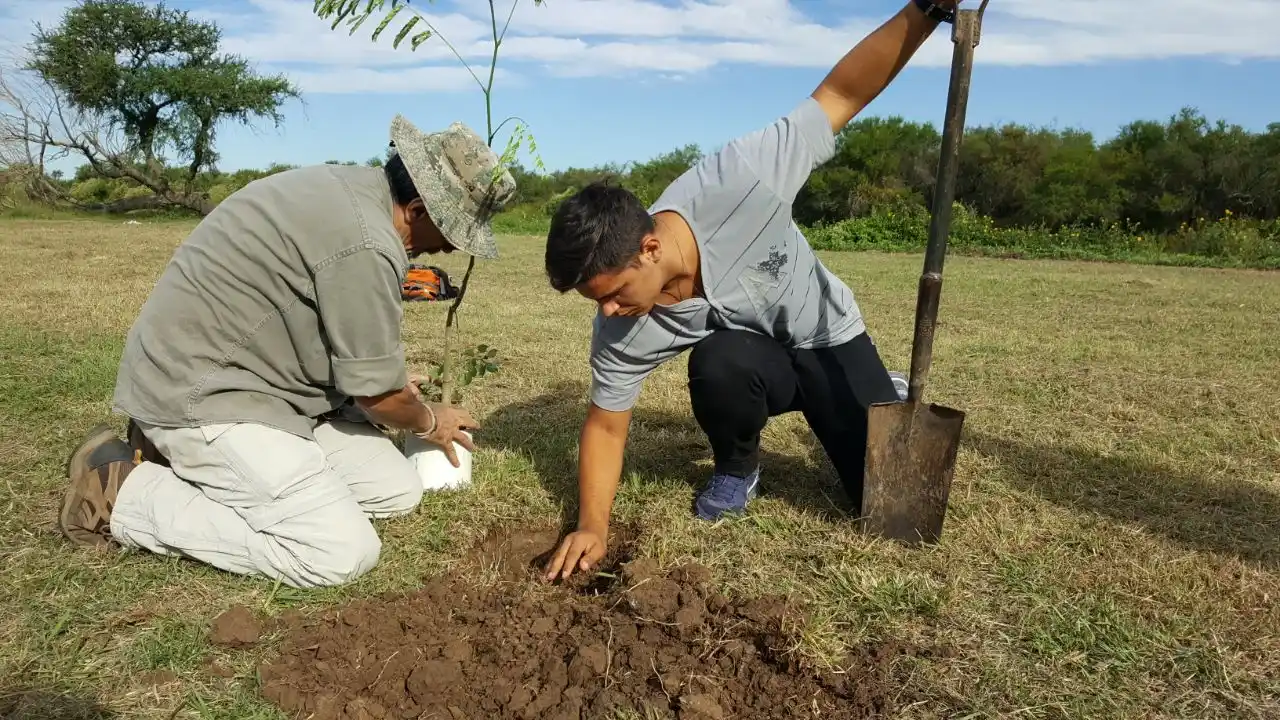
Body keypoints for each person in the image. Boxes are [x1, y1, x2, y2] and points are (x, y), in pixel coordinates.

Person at [541, 0, 963, 580]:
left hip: (824, 337)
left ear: (649, 248)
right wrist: (593, 523)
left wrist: (927, 10)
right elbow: (606, 425)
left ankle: (874, 391)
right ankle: (737, 468)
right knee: (719, 360)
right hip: (752, 361)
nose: (609, 311)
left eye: (612, 294)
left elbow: (841, 95)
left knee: (870, 496)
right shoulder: (620, 325)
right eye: (597, 302)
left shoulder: (741, 178)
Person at [58, 117, 517, 588]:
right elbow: (378, 397)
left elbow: (335, 347)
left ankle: (183, 458)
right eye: (448, 236)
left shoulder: (350, 188)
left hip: (262, 388)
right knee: (339, 552)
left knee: (397, 491)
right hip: (203, 392)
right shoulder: (367, 244)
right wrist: (425, 418)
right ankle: (120, 494)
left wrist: (390, 391)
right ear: (419, 209)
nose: (443, 251)